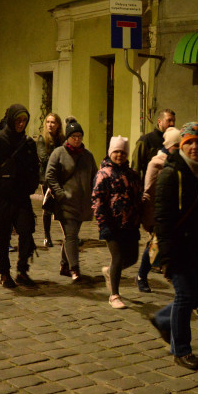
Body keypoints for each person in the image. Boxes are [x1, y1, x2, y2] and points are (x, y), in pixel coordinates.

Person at [151, 122, 198, 369]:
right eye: (189, 142)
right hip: (179, 247)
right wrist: (167, 257)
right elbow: (162, 219)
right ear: (181, 145)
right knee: (185, 296)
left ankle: (163, 319)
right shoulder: (171, 173)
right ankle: (181, 350)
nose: (195, 147)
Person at [0, 104, 39, 290]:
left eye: (24, 120)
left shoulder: (28, 143)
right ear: (11, 120)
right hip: (1, 197)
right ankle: (4, 272)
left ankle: (22, 271)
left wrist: (32, 185)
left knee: (26, 231)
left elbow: (35, 167)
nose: (21, 124)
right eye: (18, 120)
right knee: (1, 236)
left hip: (21, 196)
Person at [45, 116, 98, 282]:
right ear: (67, 137)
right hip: (65, 204)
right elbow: (50, 175)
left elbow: (95, 176)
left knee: (71, 236)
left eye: (79, 137)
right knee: (71, 235)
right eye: (74, 137)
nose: (77, 140)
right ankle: (75, 269)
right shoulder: (59, 153)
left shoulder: (87, 156)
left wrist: (94, 196)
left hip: (82, 204)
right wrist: (60, 194)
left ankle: (64, 265)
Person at [92, 136, 143, 309]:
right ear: (110, 153)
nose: (119, 155)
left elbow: (137, 196)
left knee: (133, 258)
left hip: (130, 223)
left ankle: (110, 271)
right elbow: (97, 200)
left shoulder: (132, 174)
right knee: (118, 256)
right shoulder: (103, 174)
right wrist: (102, 223)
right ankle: (114, 295)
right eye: (116, 152)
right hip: (111, 223)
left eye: (122, 152)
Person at [137, 126, 182, 293]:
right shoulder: (156, 163)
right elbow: (148, 191)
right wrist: (150, 217)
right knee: (155, 246)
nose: (179, 149)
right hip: (158, 213)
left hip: (175, 212)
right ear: (170, 146)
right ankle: (142, 275)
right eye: (177, 146)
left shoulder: (179, 161)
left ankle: (175, 278)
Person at [36, 112, 65, 248]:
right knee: (48, 207)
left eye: (53, 122)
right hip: (47, 178)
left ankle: (68, 235)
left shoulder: (62, 139)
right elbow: (44, 159)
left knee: (63, 207)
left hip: (61, 177)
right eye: (48, 122)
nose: (50, 125)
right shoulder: (43, 139)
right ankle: (47, 236)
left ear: (58, 125)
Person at [132, 108, 175, 178]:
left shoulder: (174, 141)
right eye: (169, 120)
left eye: (173, 121)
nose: (172, 124)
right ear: (159, 121)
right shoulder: (146, 140)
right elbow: (135, 168)